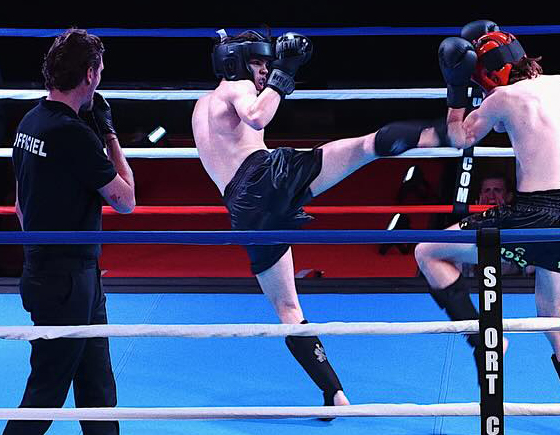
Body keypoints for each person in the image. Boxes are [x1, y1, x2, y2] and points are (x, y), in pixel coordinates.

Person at [191, 29, 449, 414]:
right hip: (266, 176)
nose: (263, 71)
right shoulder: (236, 87)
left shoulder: (199, 107)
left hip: (243, 210)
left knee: (287, 308)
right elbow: (257, 117)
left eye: (266, 64)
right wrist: (285, 73)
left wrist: (276, 76)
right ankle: (448, 133)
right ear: (235, 63)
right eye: (257, 62)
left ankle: (334, 392)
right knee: (365, 146)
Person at [411, 20, 560, 435]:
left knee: (427, 251)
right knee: (554, 317)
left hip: (529, 216)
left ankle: (484, 337)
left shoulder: (503, 99)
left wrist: (456, 91)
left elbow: (460, 138)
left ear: (489, 74)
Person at [5, 28, 135, 435]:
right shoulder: (74, 134)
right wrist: (109, 134)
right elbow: (126, 199)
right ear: (90, 74)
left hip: (63, 274)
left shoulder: (30, 123)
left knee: (98, 388)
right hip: (67, 281)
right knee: (45, 392)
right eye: (100, 71)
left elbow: (20, 207)